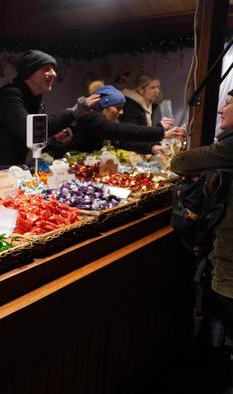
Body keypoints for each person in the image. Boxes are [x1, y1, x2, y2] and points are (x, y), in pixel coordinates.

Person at [171, 89, 233, 389]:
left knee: (220, 324)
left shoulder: (228, 149)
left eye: (229, 104)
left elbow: (180, 162)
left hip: (229, 264)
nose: (221, 110)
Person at [0, 50, 99, 180]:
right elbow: (29, 129)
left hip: (9, 172)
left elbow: (28, 137)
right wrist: (73, 112)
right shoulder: (10, 95)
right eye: (46, 68)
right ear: (29, 72)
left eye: (53, 69)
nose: (54, 74)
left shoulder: (35, 99)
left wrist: (51, 139)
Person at [51, 85, 186, 156]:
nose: (121, 112)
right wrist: (160, 132)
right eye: (118, 108)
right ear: (105, 106)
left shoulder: (101, 119)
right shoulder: (91, 117)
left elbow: (122, 142)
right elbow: (118, 131)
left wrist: (152, 147)